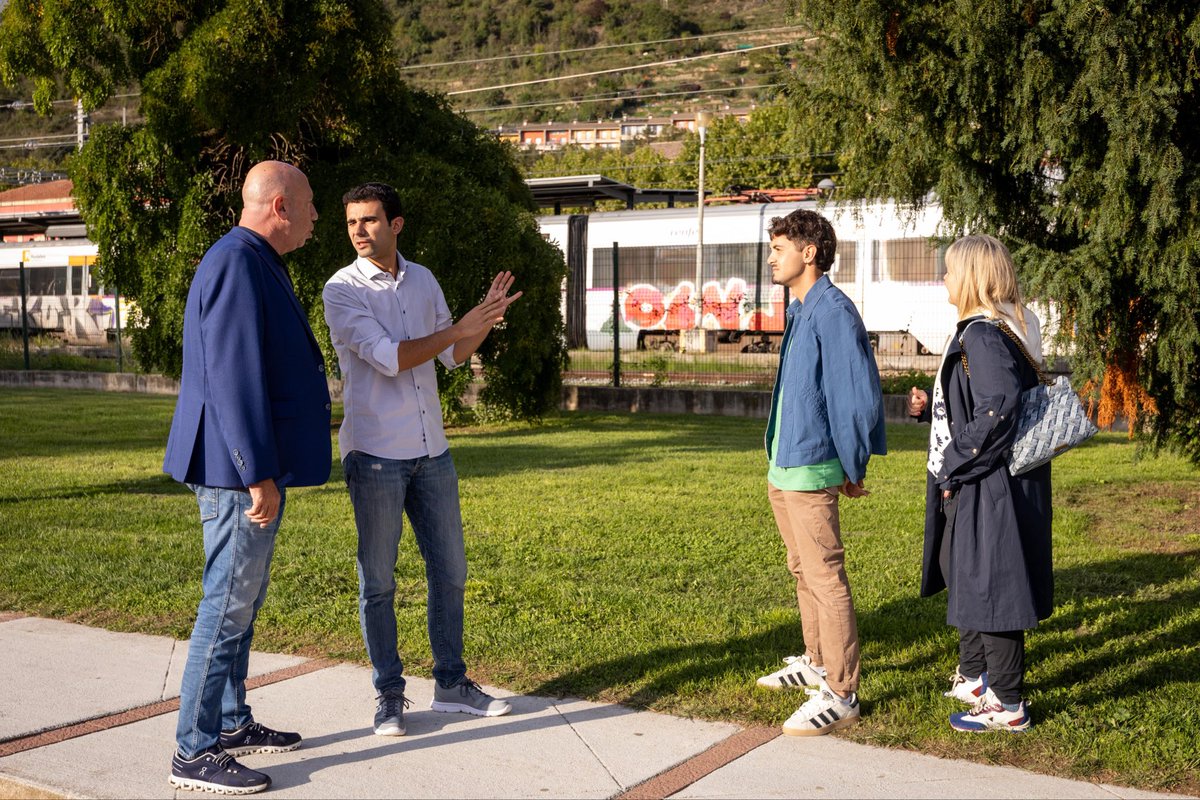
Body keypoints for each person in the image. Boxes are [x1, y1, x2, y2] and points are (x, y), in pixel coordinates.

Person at [322, 182, 521, 737]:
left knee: (451, 571)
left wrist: (482, 319)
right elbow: (390, 359)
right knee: (378, 583)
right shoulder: (341, 290)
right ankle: (389, 694)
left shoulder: (425, 279)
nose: (359, 232)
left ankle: (452, 685)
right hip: (376, 454)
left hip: (432, 452)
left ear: (397, 224)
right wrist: (456, 330)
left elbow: (454, 355)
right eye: (351, 223)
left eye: (369, 221)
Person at [162, 161, 332, 794]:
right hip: (237, 472)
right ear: (281, 205)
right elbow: (232, 378)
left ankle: (230, 722)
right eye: (311, 204)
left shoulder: (253, 257)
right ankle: (194, 751)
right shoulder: (238, 261)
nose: (318, 216)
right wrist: (257, 472)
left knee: (242, 599)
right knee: (227, 603)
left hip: (241, 468)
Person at [907, 233, 1051, 733]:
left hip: (991, 482)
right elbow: (982, 402)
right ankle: (979, 679)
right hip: (991, 477)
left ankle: (1008, 704)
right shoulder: (994, 328)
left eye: (948, 270)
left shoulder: (983, 335)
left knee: (994, 583)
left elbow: (998, 405)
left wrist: (957, 461)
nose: (942, 278)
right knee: (971, 571)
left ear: (970, 278)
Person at [754, 209, 886, 736]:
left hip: (812, 467)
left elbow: (854, 397)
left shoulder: (832, 311)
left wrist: (853, 465)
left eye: (779, 248)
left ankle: (842, 691)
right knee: (801, 568)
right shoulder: (800, 309)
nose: (771, 257)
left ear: (809, 253)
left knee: (826, 577)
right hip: (784, 464)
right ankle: (814, 660)